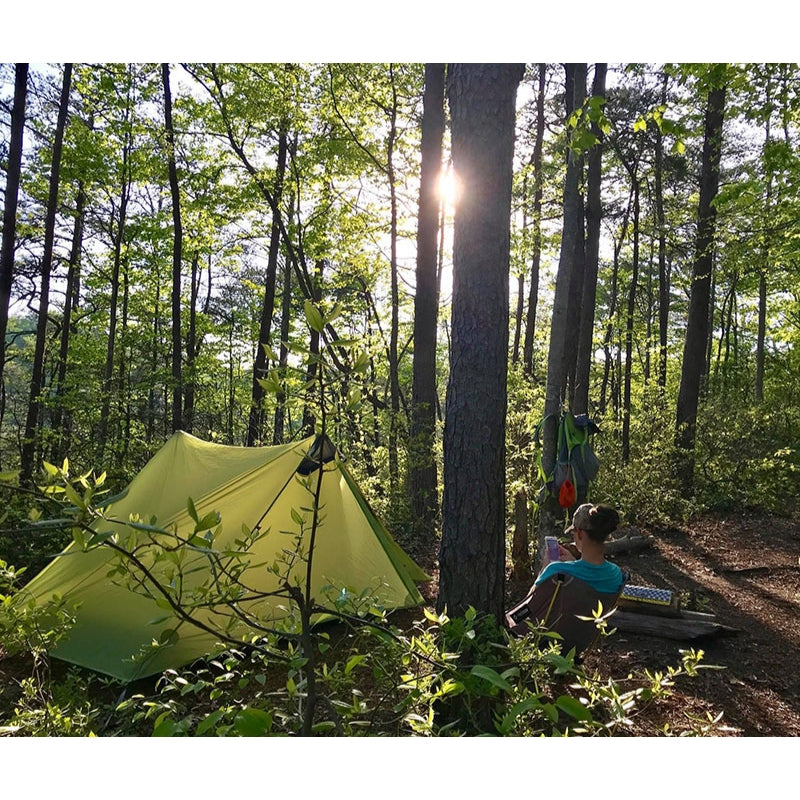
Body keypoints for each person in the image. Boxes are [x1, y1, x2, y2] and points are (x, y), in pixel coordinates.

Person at [535, 502, 624, 594]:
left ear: (580, 534)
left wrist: (544, 568)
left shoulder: (555, 570)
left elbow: (530, 601)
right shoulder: (616, 574)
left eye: (573, 533)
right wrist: (573, 562)